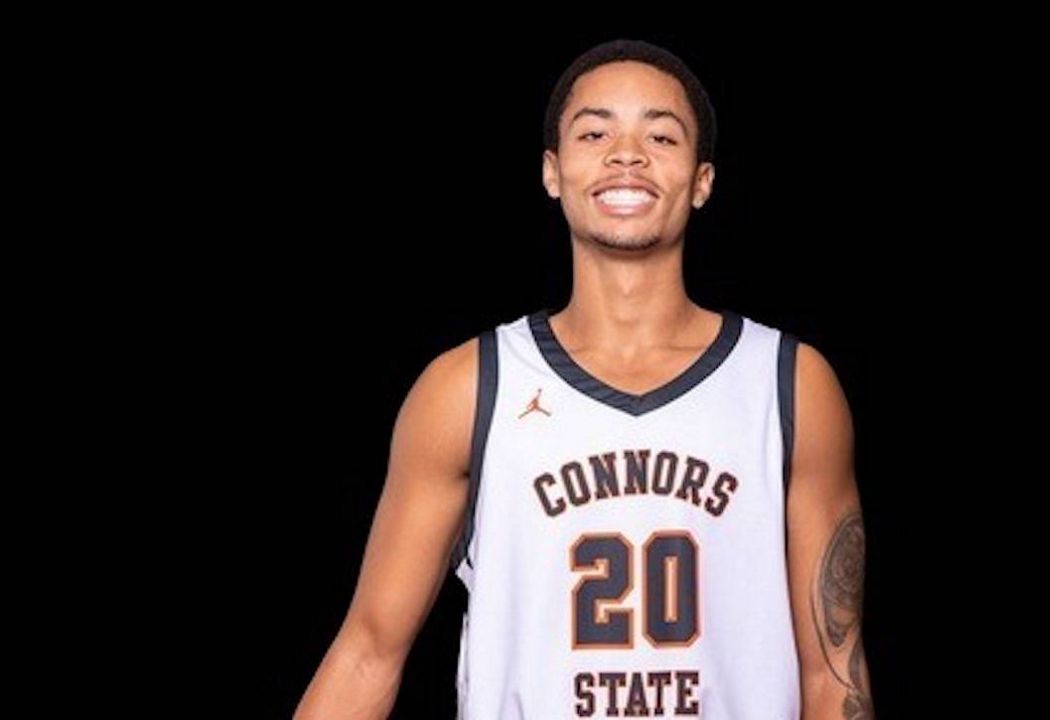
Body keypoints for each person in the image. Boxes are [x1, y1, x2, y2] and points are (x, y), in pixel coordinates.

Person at [295, 38, 873, 719]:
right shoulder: (469, 388)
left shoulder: (789, 384)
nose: (627, 154)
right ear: (552, 171)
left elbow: (834, 675)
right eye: (595, 133)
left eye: (661, 136)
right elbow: (368, 653)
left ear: (702, 181)